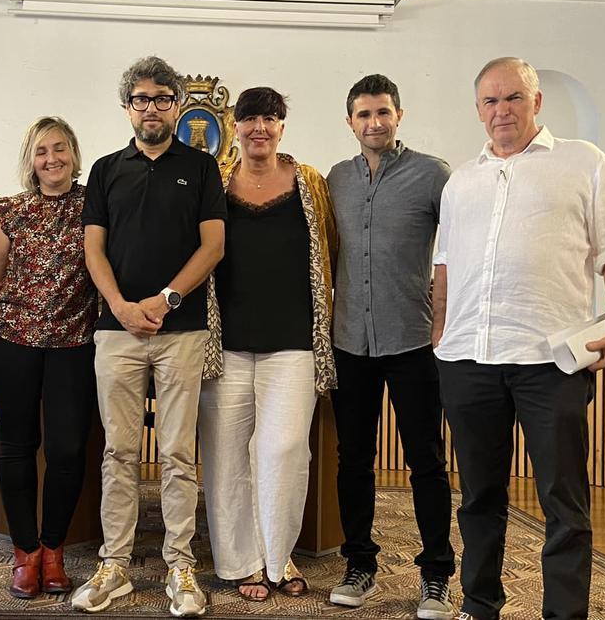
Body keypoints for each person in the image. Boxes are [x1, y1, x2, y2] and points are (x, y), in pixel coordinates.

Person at [434, 57, 605, 620]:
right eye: (490, 101)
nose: (502, 110)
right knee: (478, 498)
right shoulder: (461, 180)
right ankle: (479, 606)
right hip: (467, 360)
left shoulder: (585, 162)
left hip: (552, 363)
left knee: (563, 502)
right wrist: (439, 341)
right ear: (478, 110)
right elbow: (445, 268)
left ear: (537, 101)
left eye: (513, 98)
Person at [70, 56, 225, 618]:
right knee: (119, 451)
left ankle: (180, 565)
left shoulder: (202, 168)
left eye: (162, 98)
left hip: (180, 330)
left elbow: (213, 246)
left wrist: (165, 301)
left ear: (177, 105)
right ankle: (114, 566)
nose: (151, 107)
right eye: (141, 98)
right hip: (116, 332)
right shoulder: (108, 169)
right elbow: (93, 247)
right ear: (127, 106)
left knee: (179, 452)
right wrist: (120, 306)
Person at [196, 87, 337, 602]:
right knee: (226, 457)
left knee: (284, 450)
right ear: (235, 125)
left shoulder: (312, 184)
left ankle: (279, 556)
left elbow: (331, 255)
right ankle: (241, 563)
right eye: (250, 117)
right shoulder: (213, 181)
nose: (260, 127)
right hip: (225, 344)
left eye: (270, 118)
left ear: (283, 126)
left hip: (294, 343)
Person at [326, 75, 456, 618]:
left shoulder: (434, 176)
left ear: (398, 114)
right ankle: (360, 564)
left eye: (382, 112)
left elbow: (456, 255)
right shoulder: (333, 179)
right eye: (363, 114)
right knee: (353, 458)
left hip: (412, 341)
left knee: (425, 461)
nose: (373, 123)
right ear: (350, 121)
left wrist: (442, 327)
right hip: (349, 341)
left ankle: (436, 576)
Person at [0, 116, 98, 598]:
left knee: (69, 450)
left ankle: (54, 550)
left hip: (75, 342)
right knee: (17, 444)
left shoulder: (96, 205)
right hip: (12, 340)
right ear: (31, 160)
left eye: (60, 148)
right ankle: (25, 554)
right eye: (42, 151)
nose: (52, 159)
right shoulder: (11, 211)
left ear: (74, 153)